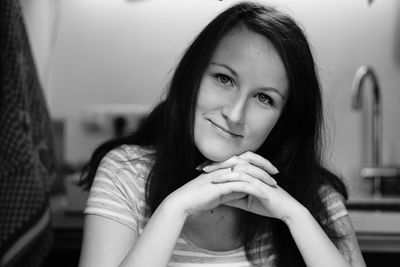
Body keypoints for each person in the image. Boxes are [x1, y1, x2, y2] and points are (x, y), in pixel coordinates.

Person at [78, 2, 366, 267]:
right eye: (224, 79)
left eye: (264, 98)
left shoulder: (314, 196)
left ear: (284, 118)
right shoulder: (125, 173)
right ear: (192, 76)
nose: (235, 114)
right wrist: (175, 209)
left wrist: (296, 216)